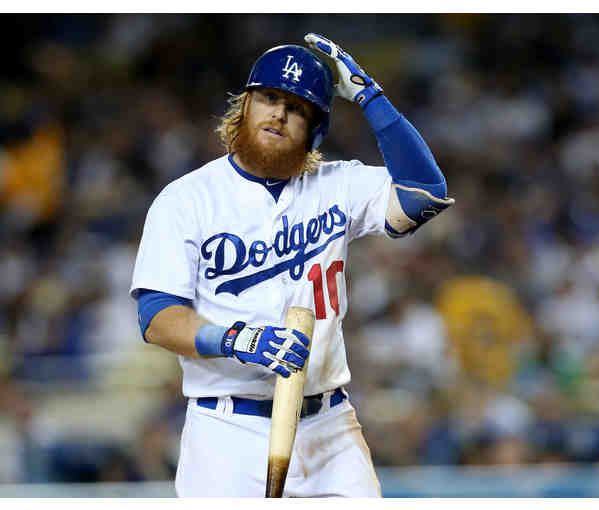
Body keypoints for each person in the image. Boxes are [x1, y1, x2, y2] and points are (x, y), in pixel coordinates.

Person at [130, 33, 453, 497]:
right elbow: (157, 318)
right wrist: (237, 339)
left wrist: (372, 99)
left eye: (297, 108)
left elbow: (425, 194)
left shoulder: (338, 184)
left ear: (315, 129)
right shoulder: (186, 199)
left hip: (329, 428)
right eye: (269, 98)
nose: (279, 114)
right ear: (244, 106)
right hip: (226, 432)